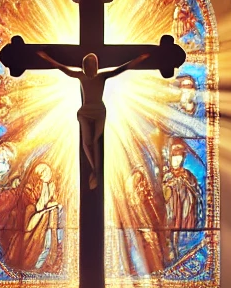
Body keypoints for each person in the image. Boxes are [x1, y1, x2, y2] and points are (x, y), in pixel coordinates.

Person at [38, 50, 149, 190]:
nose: (91, 67)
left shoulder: (102, 76)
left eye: (93, 64)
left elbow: (121, 69)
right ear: (85, 66)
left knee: (96, 140)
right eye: (89, 65)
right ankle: (93, 169)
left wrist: (139, 58)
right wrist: (46, 57)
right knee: (87, 141)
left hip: (99, 111)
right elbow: (62, 68)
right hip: (85, 112)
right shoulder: (81, 76)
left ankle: (96, 171)